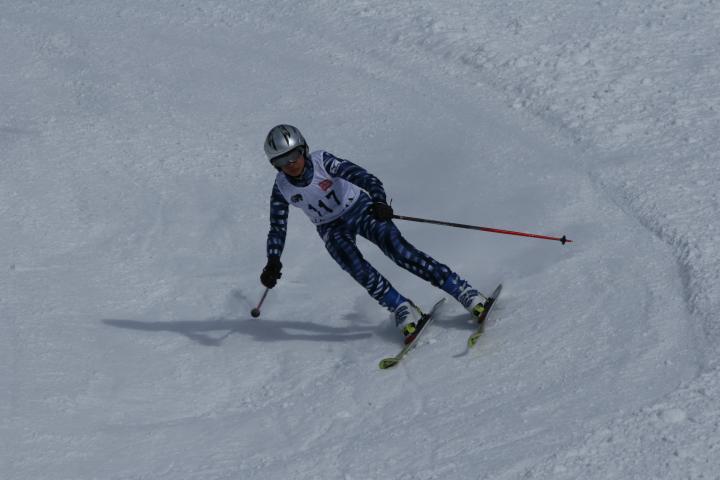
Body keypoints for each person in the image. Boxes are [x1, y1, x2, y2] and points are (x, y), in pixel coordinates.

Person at [260, 124, 487, 344]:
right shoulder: (282, 188)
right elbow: (277, 226)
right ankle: (401, 307)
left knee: (399, 251)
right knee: (356, 268)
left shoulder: (323, 162)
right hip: (329, 226)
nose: (290, 164)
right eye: (281, 161)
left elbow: (364, 177)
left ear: (304, 149)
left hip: (358, 208)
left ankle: (461, 289)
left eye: (294, 155)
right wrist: (273, 260)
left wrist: (378, 201)